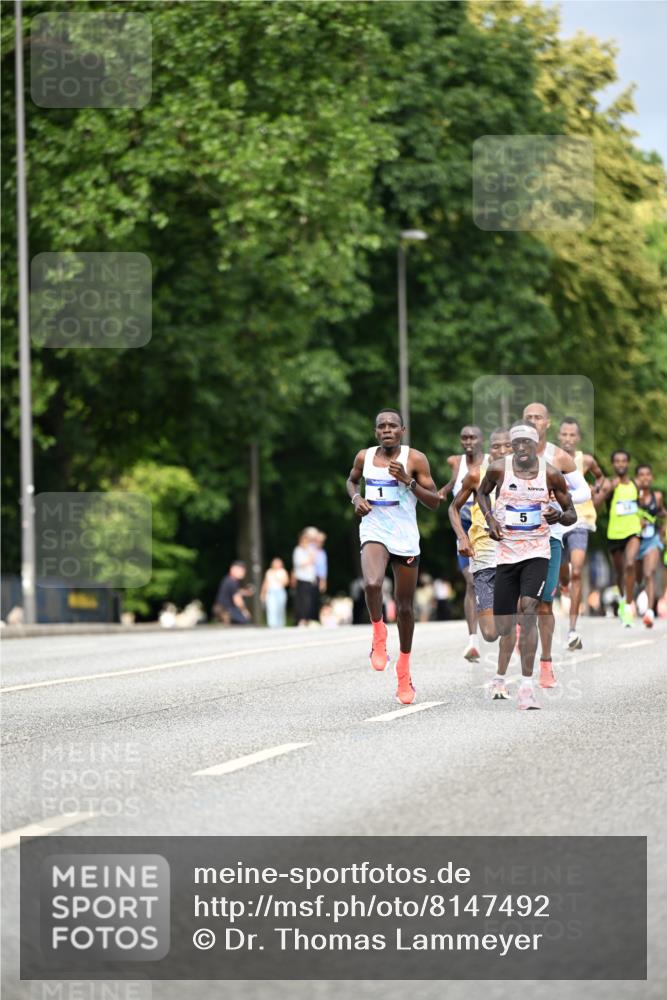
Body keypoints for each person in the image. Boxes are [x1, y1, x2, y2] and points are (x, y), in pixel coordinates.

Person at [477, 423, 576, 710]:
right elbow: (482, 494)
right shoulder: (498, 469)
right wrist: (490, 519)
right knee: (504, 626)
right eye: (516, 443)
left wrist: (558, 516)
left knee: (529, 609)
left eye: (526, 443)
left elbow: (571, 514)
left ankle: (527, 687)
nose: (521, 448)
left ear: (536, 446)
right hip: (506, 554)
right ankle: (499, 677)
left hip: (537, 552)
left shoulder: (551, 474)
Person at [346, 408, 439, 704]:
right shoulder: (364, 457)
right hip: (374, 529)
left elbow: (435, 501)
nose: (387, 430)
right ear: (376, 432)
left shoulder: (415, 459)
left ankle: (403, 669)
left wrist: (408, 481)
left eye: (392, 426)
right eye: (381, 426)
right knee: (372, 584)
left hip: (405, 537)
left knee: (406, 608)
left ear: (402, 431)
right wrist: (356, 498)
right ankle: (378, 633)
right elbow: (351, 481)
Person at [522, 403, 591, 683]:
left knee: (544, 604)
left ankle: (546, 663)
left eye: (538, 417)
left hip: (549, 536)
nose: (533, 421)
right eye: (528, 417)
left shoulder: (558, 456)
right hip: (517, 537)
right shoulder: (512, 456)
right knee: (523, 603)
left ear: (547, 423)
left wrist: (561, 501)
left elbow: (584, 490)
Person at [449, 427, 515, 699]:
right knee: (490, 633)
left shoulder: (528, 475)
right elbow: (454, 508)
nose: (502, 451)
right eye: (497, 446)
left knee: (509, 624)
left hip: (515, 556)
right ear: (490, 449)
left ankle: (500, 679)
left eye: (507, 446)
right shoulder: (477, 474)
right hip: (485, 557)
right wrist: (462, 537)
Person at [557, 417, 606, 650]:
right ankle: (563, 584)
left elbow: (601, 477)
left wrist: (596, 491)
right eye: (564, 434)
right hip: (557, 521)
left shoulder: (585, 460)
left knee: (576, 571)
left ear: (578, 438)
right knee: (563, 574)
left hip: (580, 520)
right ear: (559, 436)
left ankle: (572, 630)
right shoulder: (552, 458)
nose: (568, 439)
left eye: (572, 435)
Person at [438, 425, 487, 662]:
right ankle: (472, 641)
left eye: (473, 437)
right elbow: (455, 484)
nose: (468, 441)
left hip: (486, 525)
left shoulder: (491, 462)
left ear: (481, 440)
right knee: (470, 580)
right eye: (464, 438)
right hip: (464, 526)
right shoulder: (456, 462)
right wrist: (443, 491)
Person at [596, 451, 642, 627]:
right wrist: (608, 490)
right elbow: (596, 506)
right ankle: (623, 600)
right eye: (617, 461)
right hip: (614, 534)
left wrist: (644, 519)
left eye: (623, 461)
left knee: (630, 564)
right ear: (613, 464)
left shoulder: (635, 484)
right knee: (620, 572)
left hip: (633, 531)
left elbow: (642, 505)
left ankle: (629, 606)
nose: (621, 464)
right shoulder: (609, 483)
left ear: (628, 463)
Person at [634, 463, 666, 627]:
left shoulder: (657, 496)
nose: (645, 478)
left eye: (648, 474)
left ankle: (649, 612)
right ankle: (634, 599)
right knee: (639, 577)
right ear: (636, 478)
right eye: (641, 475)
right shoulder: (632, 496)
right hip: (635, 541)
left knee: (649, 573)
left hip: (652, 540)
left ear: (652, 477)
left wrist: (663, 531)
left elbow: (663, 512)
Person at [291, 528, 320, 626]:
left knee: (309, 600)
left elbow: (314, 561)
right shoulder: (298, 550)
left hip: (310, 578)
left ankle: (308, 618)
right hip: (302, 578)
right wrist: (309, 559)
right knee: (302, 600)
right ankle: (301, 619)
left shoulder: (309, 550)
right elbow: (299, 564)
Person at [260, 557, 290, 628]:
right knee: (271, 608)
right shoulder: (269, 572)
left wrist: (277, 578)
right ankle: (272, 625)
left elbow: (286, 582)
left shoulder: (283, 572)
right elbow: (266, 583)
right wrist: (263, 593)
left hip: (279, 591)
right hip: (271, 592)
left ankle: (280, 625)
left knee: (280, 609)